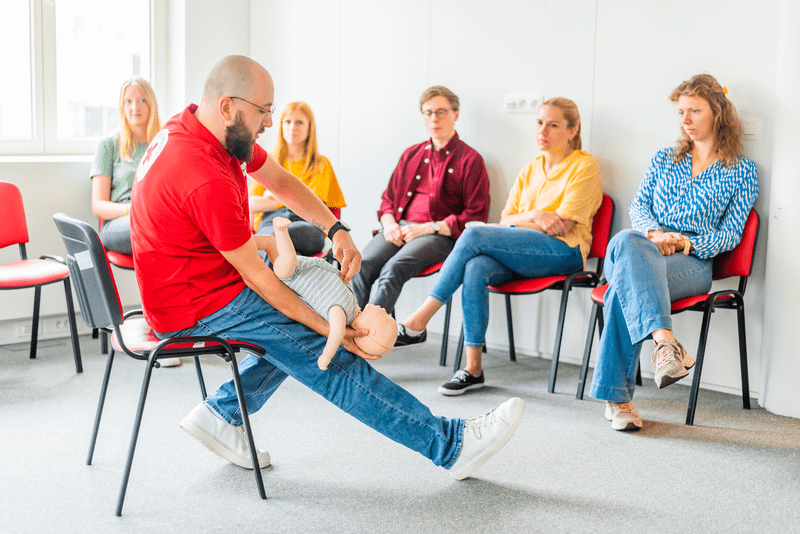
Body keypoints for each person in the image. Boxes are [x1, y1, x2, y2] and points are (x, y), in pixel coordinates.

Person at [129, 55, 524, 480]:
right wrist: (324, 327)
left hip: (189, 286)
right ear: (228, 106)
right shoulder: (202, 173)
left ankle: (222, 414)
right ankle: (449, 444)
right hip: (196, 306)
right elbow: (258, 279)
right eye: (264, 112)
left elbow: (280, 180)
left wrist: (336, 228)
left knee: (294, 334)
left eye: (270, 111)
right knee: (323, 349)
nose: (268, 123)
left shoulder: (195, 126)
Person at [396, 97, 602, 395]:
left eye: (553, 125)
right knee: (476, 265)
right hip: (524, 251)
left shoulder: (585, 166)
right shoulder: (530, 169)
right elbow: (506, 218)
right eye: (540, 122)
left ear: (572, 130)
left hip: (564, 252)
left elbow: (563, 225)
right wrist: (535, 215)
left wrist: (526, 222)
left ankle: (420, 318)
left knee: (475, 234)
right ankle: (472, 368)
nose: (543, 130)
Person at [588, 74, 759, 431]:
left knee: (624, 280)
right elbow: (639, 207)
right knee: (626, 242)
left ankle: (617, 398)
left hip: (693, 262)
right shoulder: (665, 158)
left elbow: (730, 234)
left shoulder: (742, 172)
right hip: (647, 248)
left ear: (718, 113)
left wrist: (682, 242)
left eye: (694, 110)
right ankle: (666, 343)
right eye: (681, 111)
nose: (685, 120)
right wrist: (655, 234)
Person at [349, 86, 489, 315]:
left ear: (456, 114)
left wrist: (429, 227)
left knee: (394, 268)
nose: (434, 118)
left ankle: (371, 335)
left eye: (441, 112)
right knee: (361, 265)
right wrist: (390, 224)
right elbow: (388, 200)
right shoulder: (411, 155)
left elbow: (476, 215)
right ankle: (347, 328)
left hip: (439, 236)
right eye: (428, 112)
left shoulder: (471, 160)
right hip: (400, 229)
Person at [269, 217, 398, 370]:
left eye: (384, 316)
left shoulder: (342, 314)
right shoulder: (352, 305)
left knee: (285, 255)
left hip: (292, 274)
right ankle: (249, 244)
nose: (384, 310)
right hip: (304, 266)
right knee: (269, 244)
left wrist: (326, 356)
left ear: (369, 331)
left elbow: (336, 333)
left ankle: (280, 230)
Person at [250, 102, 346, 256]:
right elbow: (250, 204)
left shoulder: (321, 164)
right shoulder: (266, 160)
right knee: (290, 256)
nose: (292, 127)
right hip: (270, 222)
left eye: (299, 122)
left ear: (310, 128)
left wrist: (273, 197)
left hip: (308, 225)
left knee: (274, 240)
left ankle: (272, 280)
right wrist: (294, 196)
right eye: (287, 122)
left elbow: (316, 204)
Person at [90, 77, 162, 255]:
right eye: (128, 101)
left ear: (151, 104)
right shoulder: (108, 144)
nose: (134, 107)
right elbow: (98, 206)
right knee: (156, 227)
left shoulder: (164, 144)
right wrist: (132, 209)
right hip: (122, 220)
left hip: (157, 215)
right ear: (122, 106)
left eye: (141, 100)